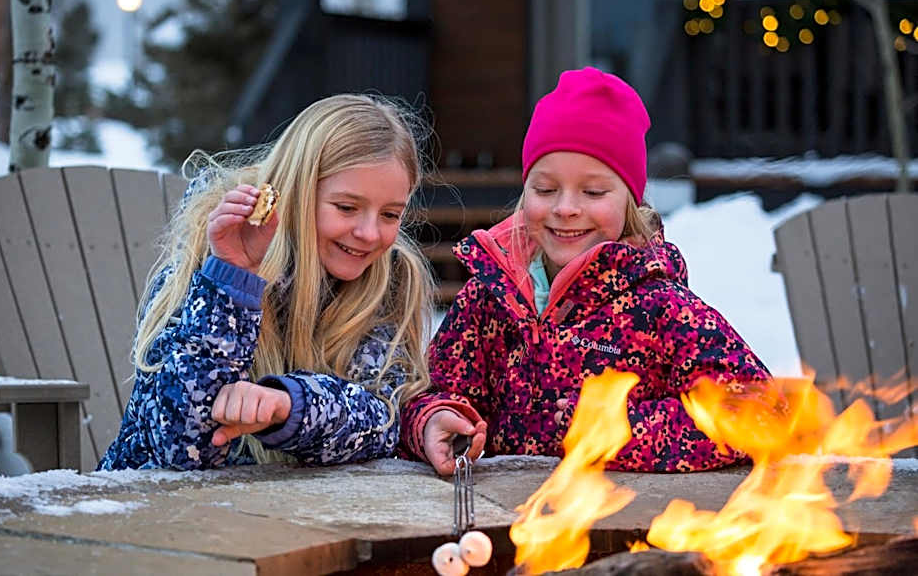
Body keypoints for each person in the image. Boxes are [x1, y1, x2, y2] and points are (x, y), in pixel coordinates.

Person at [400, 68, 772, 475]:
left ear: (629, 201)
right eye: (545, 189)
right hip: (504, 523)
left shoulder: (659, 307)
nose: (565, 208)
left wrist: (621, 430)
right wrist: (435, 418)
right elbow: (436, 390)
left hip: (624, 526)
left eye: (593, 192)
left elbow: (757, 409)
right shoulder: (490, 297)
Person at [98, 94, 435, 470]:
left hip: (299, 515)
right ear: (297, 191)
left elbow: (384, 422)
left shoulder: (389, 282)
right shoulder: (208, 259)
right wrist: (231, 282)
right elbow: (179, 445)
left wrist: (291, 405)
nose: (370, 233)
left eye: (390, 214)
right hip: (149, 509)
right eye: (346, 207)